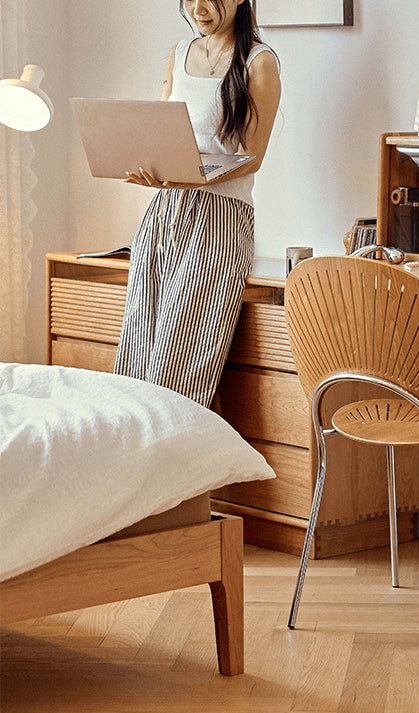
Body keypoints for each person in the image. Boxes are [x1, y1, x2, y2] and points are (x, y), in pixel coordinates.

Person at [114, 0, 281, 407]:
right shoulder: (180, 53)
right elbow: (160, 129)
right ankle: (134, 465)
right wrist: (149, 165)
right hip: (164, 213)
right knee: (138, 355)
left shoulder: (259, 62)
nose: (198, 8)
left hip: (219, 219)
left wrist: (189, 173)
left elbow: (252, 156)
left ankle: (175, 461)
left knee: (178, 367)